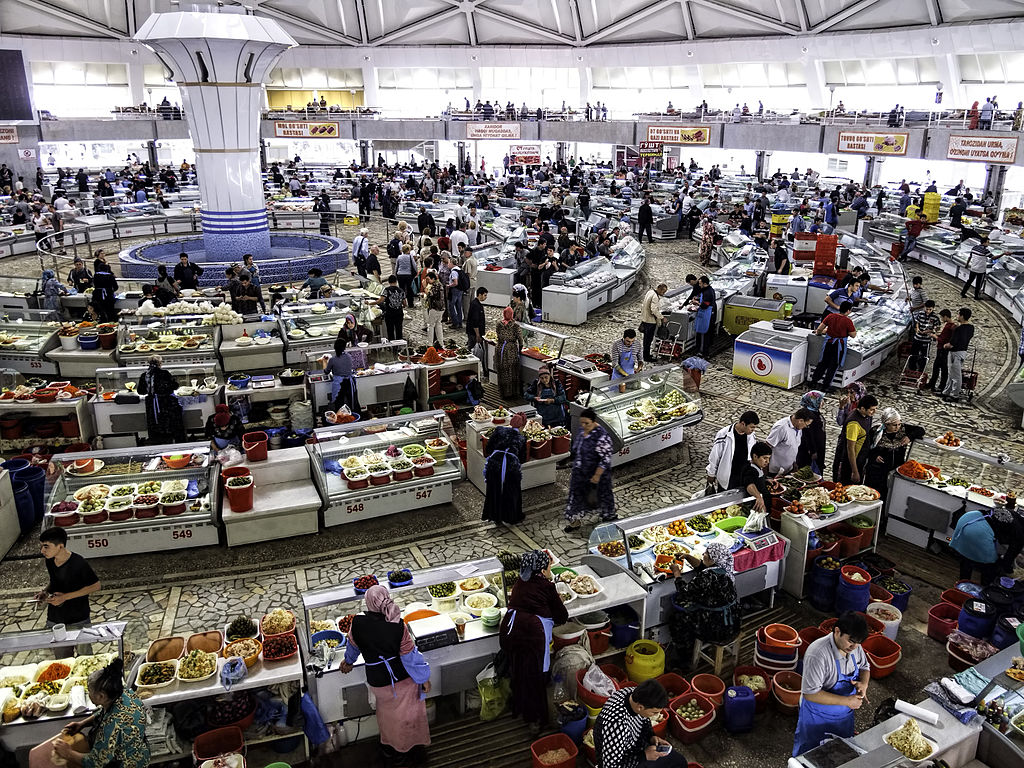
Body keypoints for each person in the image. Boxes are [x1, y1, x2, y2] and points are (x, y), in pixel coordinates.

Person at [339, 586, 431, 767]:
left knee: (388, 718)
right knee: (409, 716)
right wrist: (423, 678)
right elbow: (410, 658)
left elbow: (352, 647)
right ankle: (407, 752)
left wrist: (348, 662)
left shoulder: (357, 623)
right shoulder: (398, 625)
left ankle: (391, 752)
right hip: (403, 681)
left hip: (378, 682)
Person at [499, 550, 569, 734]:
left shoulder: (520, 583)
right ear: (543, 569)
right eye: (549, 566)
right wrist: (558, 602)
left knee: (520, 670)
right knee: (537, 677)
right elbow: (562, 616)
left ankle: (519, 707)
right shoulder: (546, 586)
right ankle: (536, 720)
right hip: (533, 634)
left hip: (512, 632)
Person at [793, 612, 871, 756]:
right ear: (837, 631)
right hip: (817, 718)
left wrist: (863, 684)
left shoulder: (855, 647)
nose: (854, 647)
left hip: (844, 718)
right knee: (810, 757)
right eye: (851, 641)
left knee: (840, 755)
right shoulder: (818, 654)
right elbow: (810, 694)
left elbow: (864, 667)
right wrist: (847, 700)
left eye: (858, 643)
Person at [51, 658, 150, 768]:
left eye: (89, 691)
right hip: (141, 750)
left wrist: (67, 753)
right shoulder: (124, 692)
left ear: (101, 696)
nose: (88, 694)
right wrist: (82, 724)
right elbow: (105, 711)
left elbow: (95, 763)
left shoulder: (111, 726)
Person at [668, 542, 740, 671]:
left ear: (713, 559)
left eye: (706, 553)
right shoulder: (726, 570)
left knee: (677, 618)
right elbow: (704, 567)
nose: (703, 555)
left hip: (717, 628)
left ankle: (684, 660)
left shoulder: (707, 577)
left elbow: (684, 592)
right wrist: (688, 556)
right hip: (733, 621)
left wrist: (676, 573)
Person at [36, 527, 100, 656]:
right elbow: (54, 581)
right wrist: (45, 592)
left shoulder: (78, 563)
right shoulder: (50, 561)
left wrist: (65, 597)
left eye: (46, 546)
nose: (42, 551)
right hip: (56, 618)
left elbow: (96, 586)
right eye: (42, 546)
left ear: (60, 546)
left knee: (85, 656)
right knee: (62, 657)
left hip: (78, 617)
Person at [595, 680, 685, 768]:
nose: (657, 715)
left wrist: (651, 736)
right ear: (640, 707)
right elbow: (610, 765)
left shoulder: (633, 694)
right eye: (654, 712)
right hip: (624, 759)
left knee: (679, 761)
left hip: (635, 747)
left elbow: (644, 721)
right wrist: (644, 756)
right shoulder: (617, 725)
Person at [563, 407, 615, 532]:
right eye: (582, 422)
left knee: (602, 496)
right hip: (580, 473)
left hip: (596, 475)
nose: (583, 425)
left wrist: (597, 476)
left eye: (587, 423)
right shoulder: (582, 430)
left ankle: (608, 516)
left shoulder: (602, 436)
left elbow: (605, 459)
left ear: (594, 421)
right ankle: (575, 521)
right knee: (575, 497)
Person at [864, 407, 924, 507]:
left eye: (899, 424)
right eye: (894, 425)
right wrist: (874, 456)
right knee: (874, 497)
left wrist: (910, 437)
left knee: (891, 498)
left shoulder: (903, 429)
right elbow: (866, 448)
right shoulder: (876, 431)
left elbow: (921, 430)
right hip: (877, 472)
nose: (897, 427)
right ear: (886, 424)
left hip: (896, 471)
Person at [950, 507, 1024, 585]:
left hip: (968, 518)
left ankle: (962, 584)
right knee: (991, 566)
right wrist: (1012, 573)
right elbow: (1007, 563)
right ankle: (985, 589)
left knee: (967, 555)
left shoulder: (1015, 515)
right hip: (979, 531)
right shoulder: (1020, 536)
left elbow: (1002, 533)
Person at [482, 413, 528, 526]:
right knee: (511, 492)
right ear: (522, 426)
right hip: (511, 469)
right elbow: (522, 458)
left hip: (494, 465)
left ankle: (495, 516)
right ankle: (511, 517)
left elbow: (488, 447)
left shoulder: (499, 430)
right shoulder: (521, 438)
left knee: (494, 490)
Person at [807, 301, 856, 392]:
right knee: (833, 366)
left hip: (828, 344)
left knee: (823, 363)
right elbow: (853, 335)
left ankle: (814, 381)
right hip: (839, 345)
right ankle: (825, 386)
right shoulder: (848, 321)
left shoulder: (831, 316)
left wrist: (819, 333)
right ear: (848, 311)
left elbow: (820, 328)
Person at [705, 411, 759, 493]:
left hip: (743, 475)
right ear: (743, 424)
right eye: (752, 427)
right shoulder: (724, 435)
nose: (753, 430)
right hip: (728, 476)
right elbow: (715, 456)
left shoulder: (751, 436)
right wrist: (711, 474)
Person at [136, 355, 185, 444]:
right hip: (166, 403)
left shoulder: (144, 375)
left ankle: (159, 445)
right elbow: (175, 386)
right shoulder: (164, 373)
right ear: (159, 363)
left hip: (151, 405)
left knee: (156, 427)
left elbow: (140, 391)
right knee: (170, 425)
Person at [836, 394, 878, 485]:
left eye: (875, 409)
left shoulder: (866, 416)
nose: (874, 412)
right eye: (872, 409)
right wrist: (854, 471)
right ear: (862, 408)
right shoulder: (854, 424)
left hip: (861, 459)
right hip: (851, 464)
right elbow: (850, 448)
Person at [766, 408, 814, 476]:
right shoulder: (781, 427)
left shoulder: (798, 427)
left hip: (788, 469)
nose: (806, 427)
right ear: (800, 421)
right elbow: (768, 445)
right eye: (806, 425)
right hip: (775, 471)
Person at [941, 307, 974, 403]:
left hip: (955, 353)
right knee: (952, 373)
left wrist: (945, 345)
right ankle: (947, 391)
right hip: (963, 352)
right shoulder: (971, 328)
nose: (957, 316)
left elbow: (951, 344)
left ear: (962, 316)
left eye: (958, 314)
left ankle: (954, 394)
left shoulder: (958, 329)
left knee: (955, 375)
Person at [323, 338, 360, 415]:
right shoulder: (349, 357)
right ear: (344, 347)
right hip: (349, 383)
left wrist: (324, 361)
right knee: (351, 403)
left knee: (339, 405)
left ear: (335, 348)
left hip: (339, 384)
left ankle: (340, 422)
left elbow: (326, 372)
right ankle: (353, 418)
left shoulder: (332, 360)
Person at [924, 309, 956, 393]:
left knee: (940, 368)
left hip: (942, 349)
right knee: (939, 367)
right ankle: (934, 383)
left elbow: (942, 339)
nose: (941, 319)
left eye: (942, 317)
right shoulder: (951, 326)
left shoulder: (948, 326)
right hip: (943, 350)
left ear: (945, 316)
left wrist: (934, 336)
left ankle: (940, 385)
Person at [495, 306, 522, 399]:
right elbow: (520, 340)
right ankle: (512, 393)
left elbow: (498, 335)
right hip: (511, 350)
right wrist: (520, 349)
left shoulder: (499, 324)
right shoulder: (515, 325)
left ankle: (503, 393)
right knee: (512, 371)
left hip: (500, 349)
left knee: (502, 370)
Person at [908, 300, 940, 374]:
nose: (928, 311)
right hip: (917, 338)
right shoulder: (920, 313)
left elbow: (936, 328)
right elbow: (917, 322)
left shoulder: (935, 317)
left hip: (926, 340)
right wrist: (918, 329)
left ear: (933, 309)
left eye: (930, 309)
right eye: (927, 309)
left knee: (924, 356)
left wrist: (929, 331)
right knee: (913, 354)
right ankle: (912, 369)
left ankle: (921, 370)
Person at [639, 283, 667, 363]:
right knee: (648, 339)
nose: (663, 294)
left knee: (646, 339)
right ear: (660, 289)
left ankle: (645, 354)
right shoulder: (655, 297)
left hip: (645, 319)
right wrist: (661, 317)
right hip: (650, 321)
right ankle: (646, 356)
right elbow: (654, 309)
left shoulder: (650, 292)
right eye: (663, 292)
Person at [691, 276, 716, 357]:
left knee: (705, 335)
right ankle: (701, 351)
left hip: (707, 316)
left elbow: (705, 305)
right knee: (703, 334)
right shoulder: (707, 290)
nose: (699, 285)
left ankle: (703, 352)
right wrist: (697, 299)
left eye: (700, 283)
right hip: (705, 314)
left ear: (704, 283)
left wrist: (696, 303)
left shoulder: (708, 292)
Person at [962, 235, 992, 300]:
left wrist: (967, 264)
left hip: (973, 267)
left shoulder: (974, 247)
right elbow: (993, 257)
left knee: (969, 281)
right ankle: (976, 296)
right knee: (978, 283)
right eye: (988, 242)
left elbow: (970, 256)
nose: (988, 243)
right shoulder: (985, 250)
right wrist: (1002, 254)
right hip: (981, 270)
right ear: (984, 242)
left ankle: (963, 292)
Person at [423, 269, 446, 348]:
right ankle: (440, 342)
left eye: (428, 279)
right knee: (438, 325)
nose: (428, 281)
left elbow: (431, 295)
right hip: (441, 308)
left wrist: (425, 288)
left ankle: (430, 344)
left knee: (431, 325)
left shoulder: (436, 285)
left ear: (433, 279)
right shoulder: (439, 284)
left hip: (435, 308)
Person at [466, 287, 487, 366]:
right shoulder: (476, 305)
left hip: (473, 332)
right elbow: (475, 321)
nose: (486, 297)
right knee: (472, 350)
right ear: (480, 295)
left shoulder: (475, 303)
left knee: (472, 349)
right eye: (485, 295)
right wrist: (477, 334)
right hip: (474, 333)